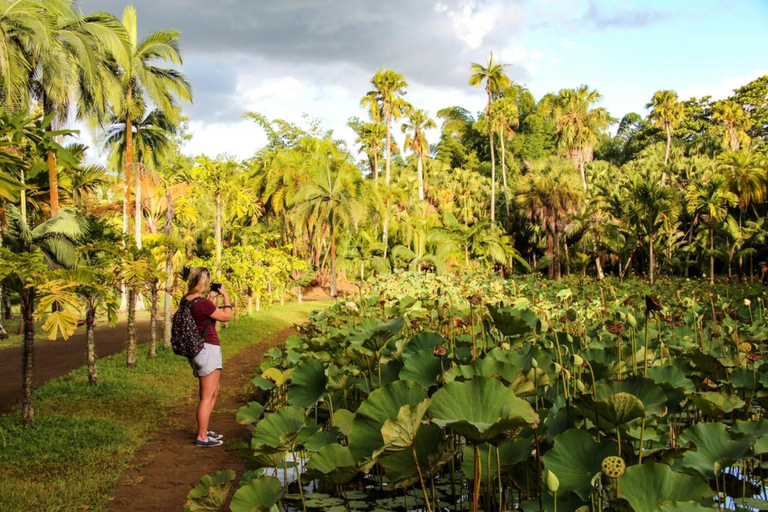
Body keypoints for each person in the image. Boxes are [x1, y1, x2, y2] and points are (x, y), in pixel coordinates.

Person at [183, 267, 233, 447]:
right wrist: (225, 295)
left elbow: (201, 316)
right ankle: (202, 437)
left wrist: (211, 298)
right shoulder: (203, 303)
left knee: (214, 390)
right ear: (204, 283)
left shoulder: (186, 300)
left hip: (196, 350)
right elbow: (226, 316)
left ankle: (204, 430)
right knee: (206, 396)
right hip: (207, 349)